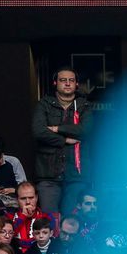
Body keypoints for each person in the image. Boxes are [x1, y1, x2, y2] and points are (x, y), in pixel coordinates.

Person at [31, 68, 91, 215]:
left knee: (73, 219)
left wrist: (57, 129)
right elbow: (39, 131)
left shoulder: (84, 105)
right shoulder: (44, 104)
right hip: (48, 174)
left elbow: (86, 130)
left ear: (77, 84)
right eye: (63, 80)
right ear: (55, 83)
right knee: (48, 219)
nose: (67, 84)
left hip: (76, 174)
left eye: (71, 80)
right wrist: (64, 140)